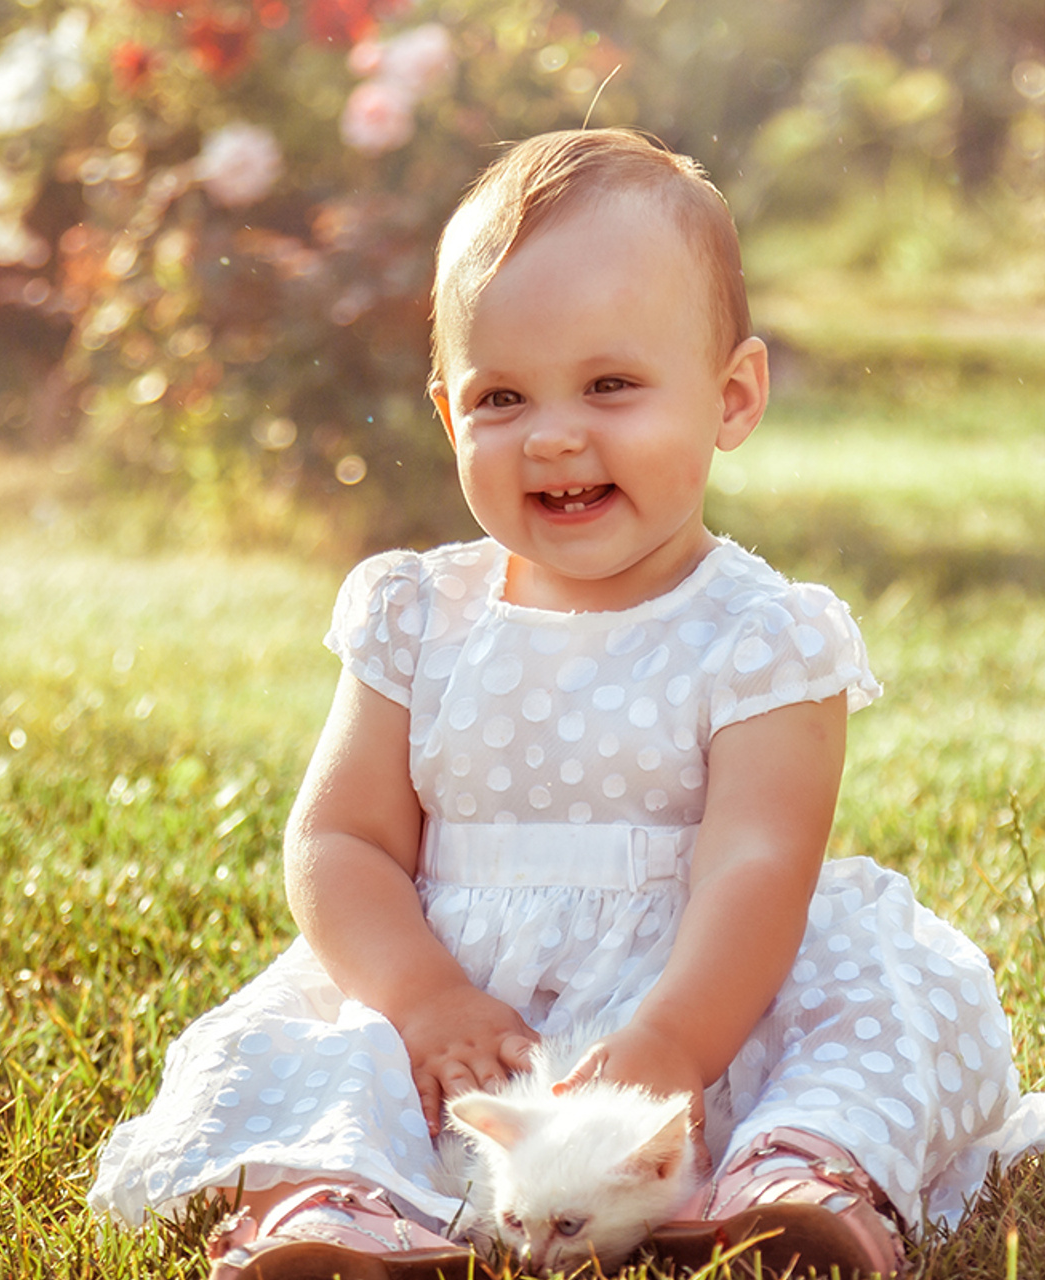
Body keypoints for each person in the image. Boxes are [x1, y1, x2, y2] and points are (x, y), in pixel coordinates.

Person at [88, 129, 1045, 1279]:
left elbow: (756, 863)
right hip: (465, 1019)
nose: (551, 433)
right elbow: (338, 838)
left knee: (875, 994)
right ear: (449, 418)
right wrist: (422, 993)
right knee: (334, 1049)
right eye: (501, 396)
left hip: (702, 992)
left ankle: (790, 1172)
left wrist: (672, 1041)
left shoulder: (761, 634)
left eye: (609, 383)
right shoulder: (415, 613)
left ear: (732, 396)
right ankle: (345, 1209)